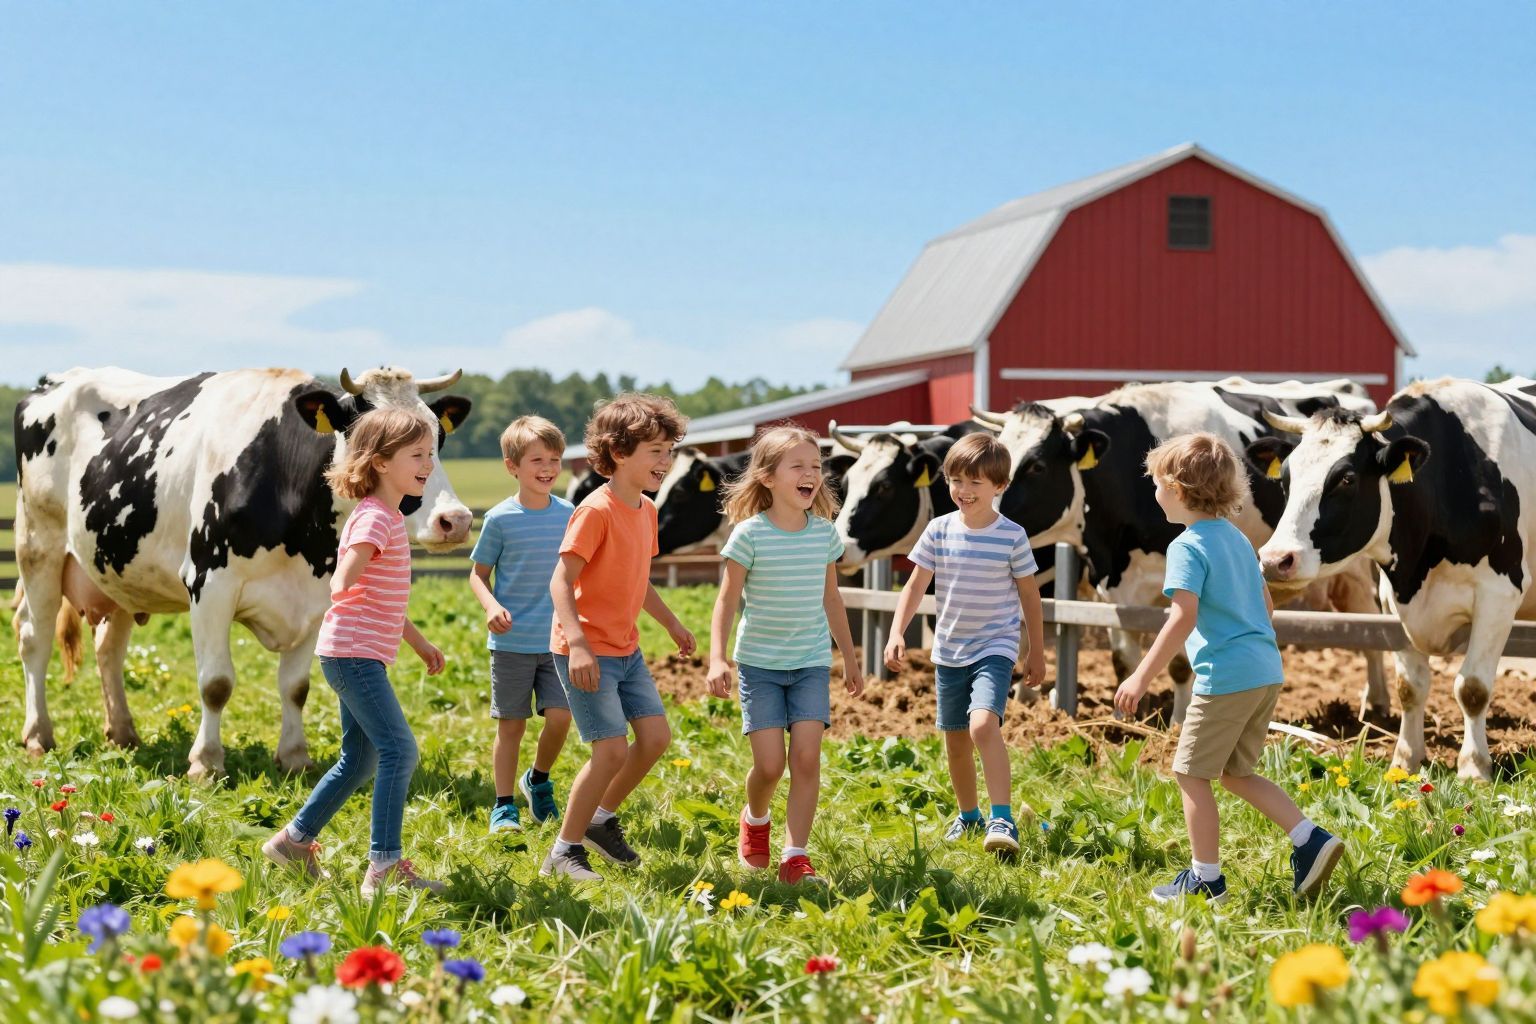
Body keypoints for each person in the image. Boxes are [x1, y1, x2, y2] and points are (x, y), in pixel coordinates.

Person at [1113, 432, 1342, 902]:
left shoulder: (1186, 546)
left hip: (1225, 677)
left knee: (1190, 774)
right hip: (1264, 670)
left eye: (1157, 484)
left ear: (1176, 490)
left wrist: (1140, 676)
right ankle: (1310, 839)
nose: (1154, 493)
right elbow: (1266, 604)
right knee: (1237, 773)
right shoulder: (1238, 540)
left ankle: (1206, 879)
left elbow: (1183, 615)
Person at [262, 407, 448, 896]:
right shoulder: (374, 520)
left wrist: (419, 641)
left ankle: (293, 843)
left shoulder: (383, 516)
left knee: (361, 759)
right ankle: (384, 868)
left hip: (355, 654)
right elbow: (351, 571)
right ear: (382, 462)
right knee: (400, 751)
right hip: (353, 656)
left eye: (430, 453)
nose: (427, 464)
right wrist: (343, 581)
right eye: (417, 455)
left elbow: (383, 597)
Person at [540, 394, 697, 880]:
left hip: (626, 649)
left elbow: (637, 578)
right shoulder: (596, 510)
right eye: (656, 452)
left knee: (654, 738)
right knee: (609, 750)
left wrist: (671, 622)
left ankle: (600, 820)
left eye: (669, 452)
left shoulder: (646, 510)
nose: (665, 462)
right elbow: (560, 581)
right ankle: (563, 851)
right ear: (620, 452)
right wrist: (580, 643)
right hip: (585, 653)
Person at [707, 427, 864, 884]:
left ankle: (795, 856)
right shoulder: (748, 536)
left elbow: (832, 599)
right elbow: (725, 601)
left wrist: (849, 659)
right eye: (798, 466)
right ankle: (755, 819)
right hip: (760, 666)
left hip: (811, 662)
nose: (810, 474)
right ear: (768, 477)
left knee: (807, 760)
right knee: (770, 765)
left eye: (815, 466)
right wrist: (718, 659)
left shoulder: (823, 536)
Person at [884, 432, 1046, 859]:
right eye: (956, 480)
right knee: (955, 740)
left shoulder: (1011, 535)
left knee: (981, 727)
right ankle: (969, 815)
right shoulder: (938, 530)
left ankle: (1003, 817)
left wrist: (1036, 650)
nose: (964, 491)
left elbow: (1030, 595)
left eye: (976, 482)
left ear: (1000, 487)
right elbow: (916, 584)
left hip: (996, 645)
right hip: (949, 648)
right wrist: (897, 631)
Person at [469, 416, 575, 833]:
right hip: (511, 642)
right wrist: (490, 606)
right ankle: (504, 805)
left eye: (555, 459)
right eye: (537, 459)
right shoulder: (499, 519)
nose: (548, 467)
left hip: (557, 641)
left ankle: (539, 779)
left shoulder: (570, 515)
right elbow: (478, 575)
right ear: (512, 466)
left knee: (561, 718)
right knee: (511, 726)